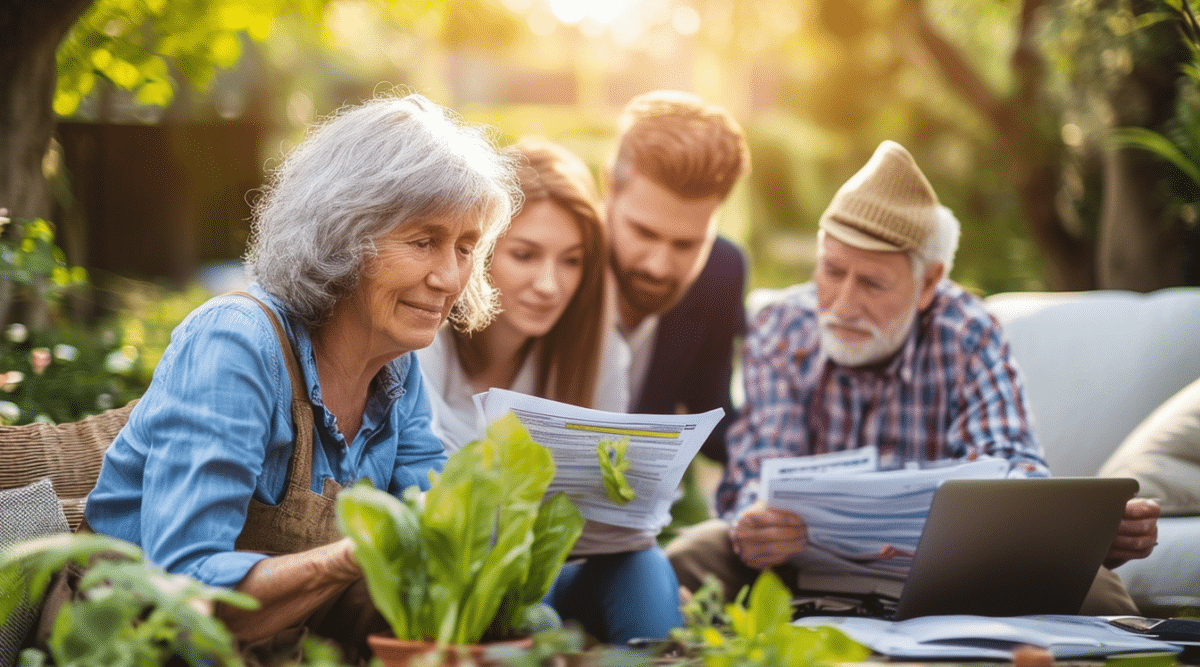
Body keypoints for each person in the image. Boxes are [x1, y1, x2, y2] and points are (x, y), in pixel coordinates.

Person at [84, 93, 520, 663]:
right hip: (132, 644)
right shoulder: (236, 342)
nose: (448, 277)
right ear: (344, 234)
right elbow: (180, 592)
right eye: (423, 242)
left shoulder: (397, 368)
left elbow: (437, 532)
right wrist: (350, 555)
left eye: (466, 248)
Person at [665, 140, 1161, 614]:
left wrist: (1084, 534)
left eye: (871, 283)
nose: (841, 305)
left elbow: (1012, 472)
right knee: (688, 559)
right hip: (795, 569)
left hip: (950, 575)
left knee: (1098, 594)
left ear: (928, 284)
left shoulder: (966, 334)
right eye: (832, 272)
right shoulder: (782, 326)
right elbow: (757, 467)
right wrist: (757, 522)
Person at [416, 137, 683, 644]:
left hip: (537, 581)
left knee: (643, 566)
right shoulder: (424, 339)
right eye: (524, 254)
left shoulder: (594, 348)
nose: (549, 284)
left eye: (572, 261)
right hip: (445, 593)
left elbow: (604, 513)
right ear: (479, 251)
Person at [605, 90, 751, 466]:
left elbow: (713, 417)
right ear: (610, 188)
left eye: (687, 244)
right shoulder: (549, 264)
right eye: (643, 233)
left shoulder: (722, 273)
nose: (659, 266)